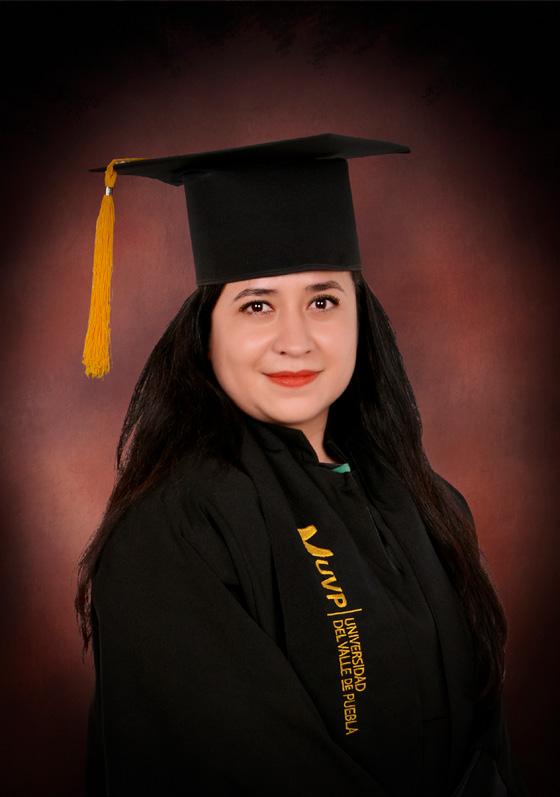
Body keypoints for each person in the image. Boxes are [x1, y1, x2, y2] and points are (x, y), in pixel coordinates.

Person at [76, 134, 528, 796]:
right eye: (257, 305)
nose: (296, 340)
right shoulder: (172, 532)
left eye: (323, 301)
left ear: (360, 319)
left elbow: (487, 743)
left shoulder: (432, 505)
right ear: (206, 333)